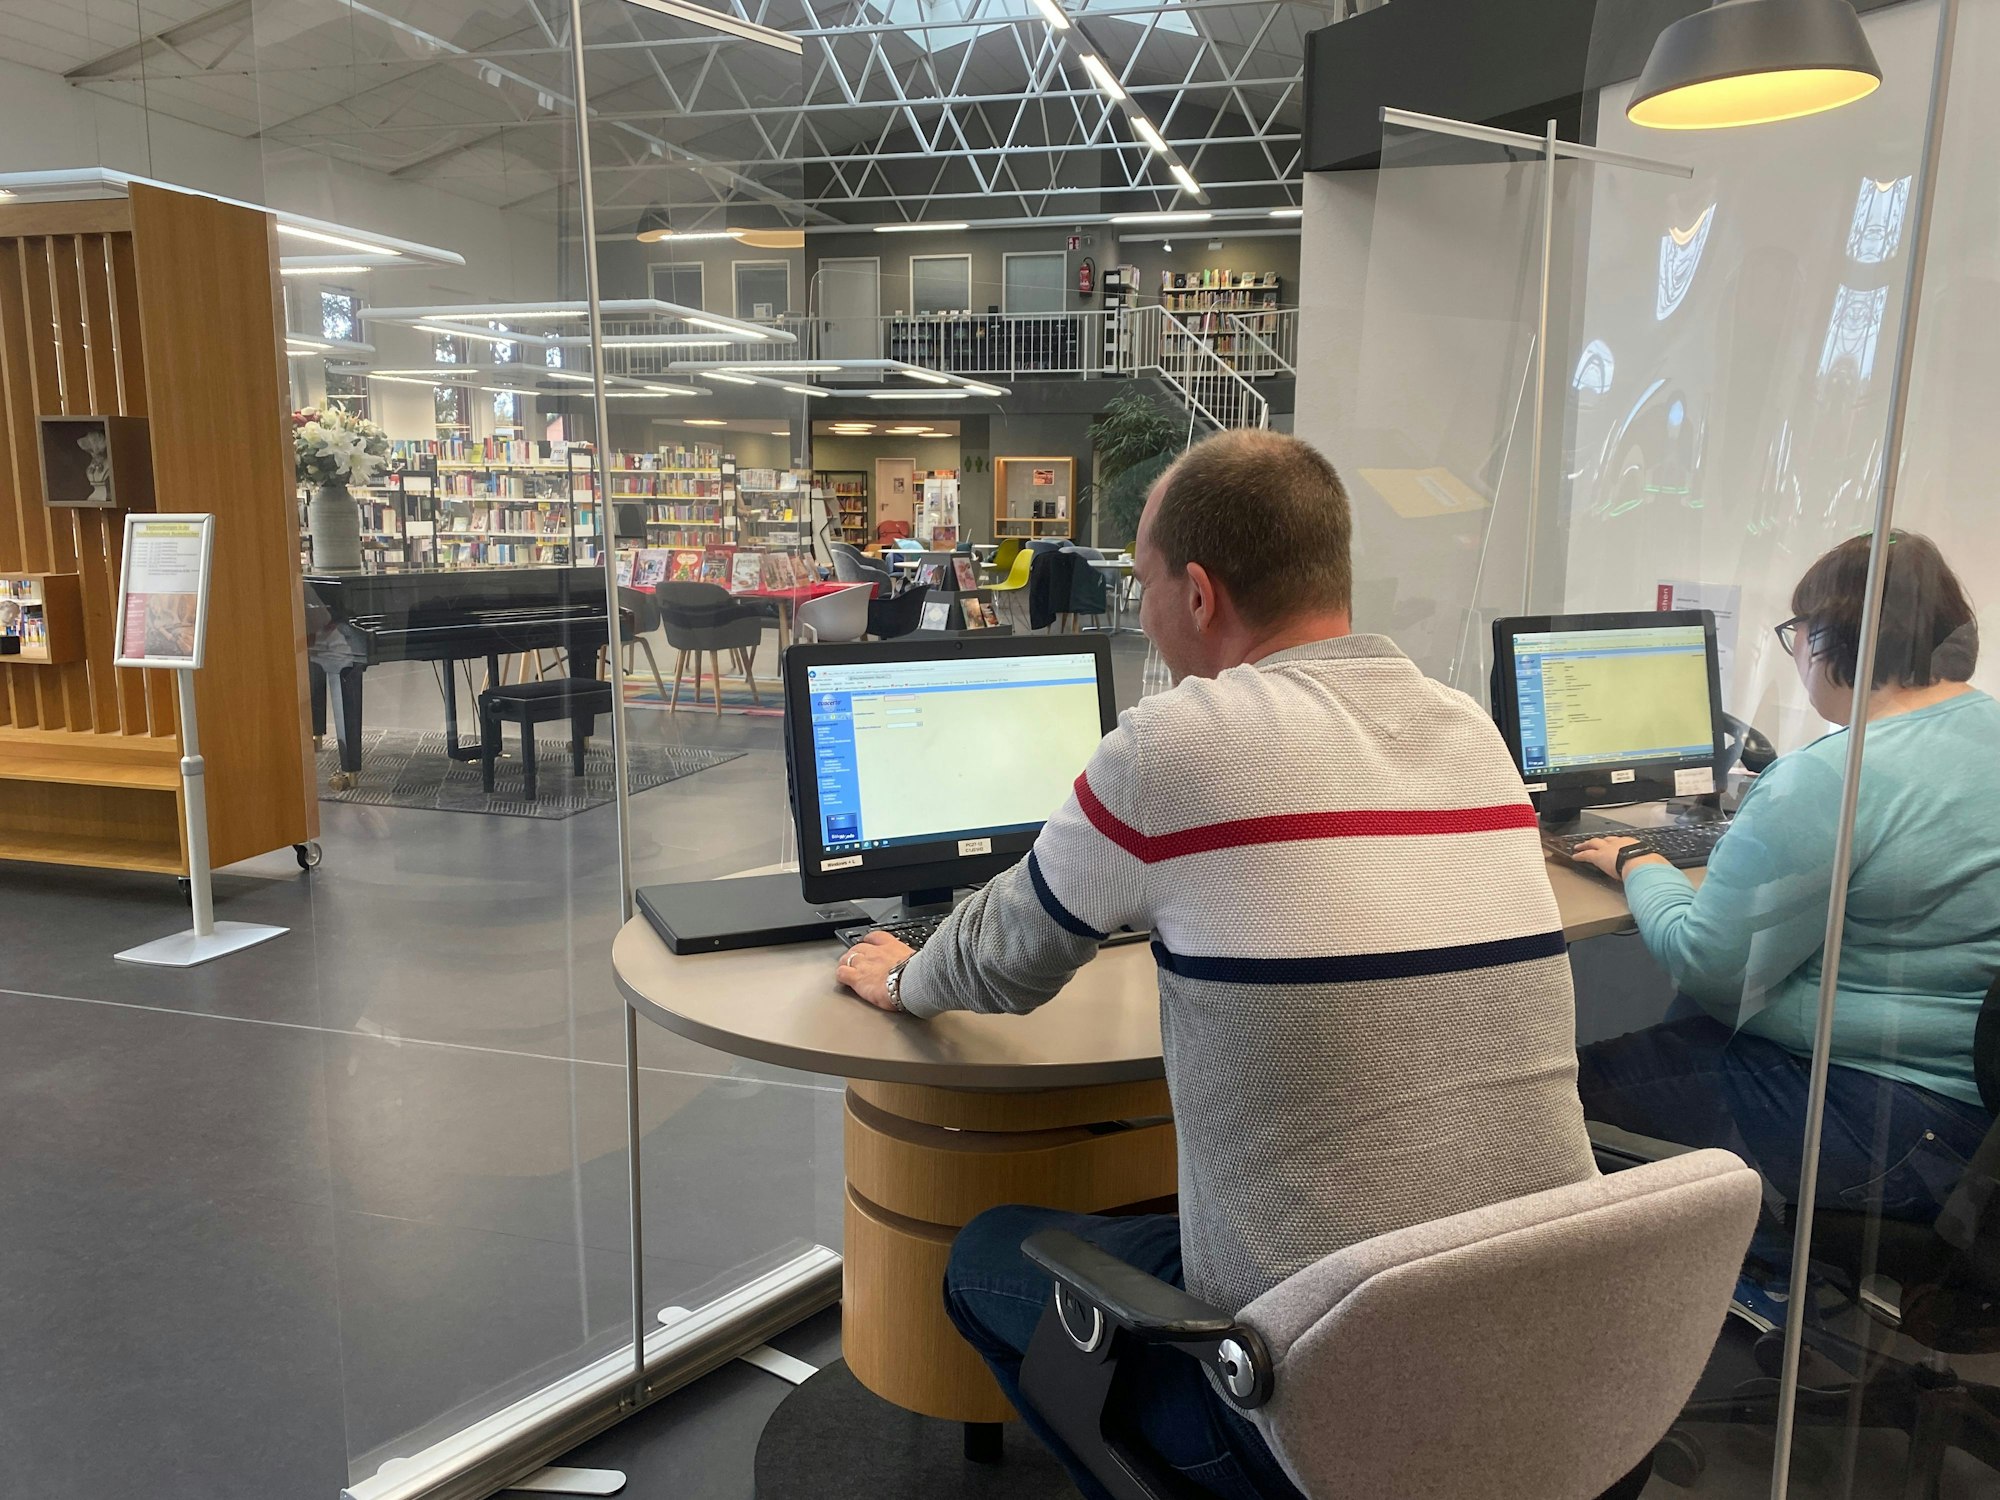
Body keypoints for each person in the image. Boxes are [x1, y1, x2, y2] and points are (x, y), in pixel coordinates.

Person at [834, 429, 1596, 1500]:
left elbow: (1004, 961)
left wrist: (898, 975)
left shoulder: (1170, 745)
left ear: (1196, 593)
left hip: (1326, 1399)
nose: (1141, 609)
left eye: (1141, 582)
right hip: (1561, 1371)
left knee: (988, 1254)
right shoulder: (1468, 730)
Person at [1572, 532, 2000, 1227]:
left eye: (1795, 631)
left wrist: (1638, 862)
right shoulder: (1985, 728)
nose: (1795, 650)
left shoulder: (1836, 773)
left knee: (1562, 1091)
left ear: (1831, 637)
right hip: (1974, 1124)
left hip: (1883, 1121)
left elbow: (1712, 967)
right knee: (1682, 1029)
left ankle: (1701, 1272)